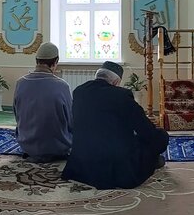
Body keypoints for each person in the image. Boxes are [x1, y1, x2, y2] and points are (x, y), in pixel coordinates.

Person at [62, 61, 168, 189]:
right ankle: (152, 160)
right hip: (115, 167)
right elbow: (146, 130)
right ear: (116, 82)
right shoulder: (122, 96)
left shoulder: (79, 92)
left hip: (82, 163)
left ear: (97, 76)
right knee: (161, 137)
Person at [13, 42, 72, 163]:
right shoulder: (62, 86)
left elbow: (17, 114)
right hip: (57, 147)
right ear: (55, 62)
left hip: (27, 145)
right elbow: (70, 120)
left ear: (36, 60)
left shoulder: (20, 83)